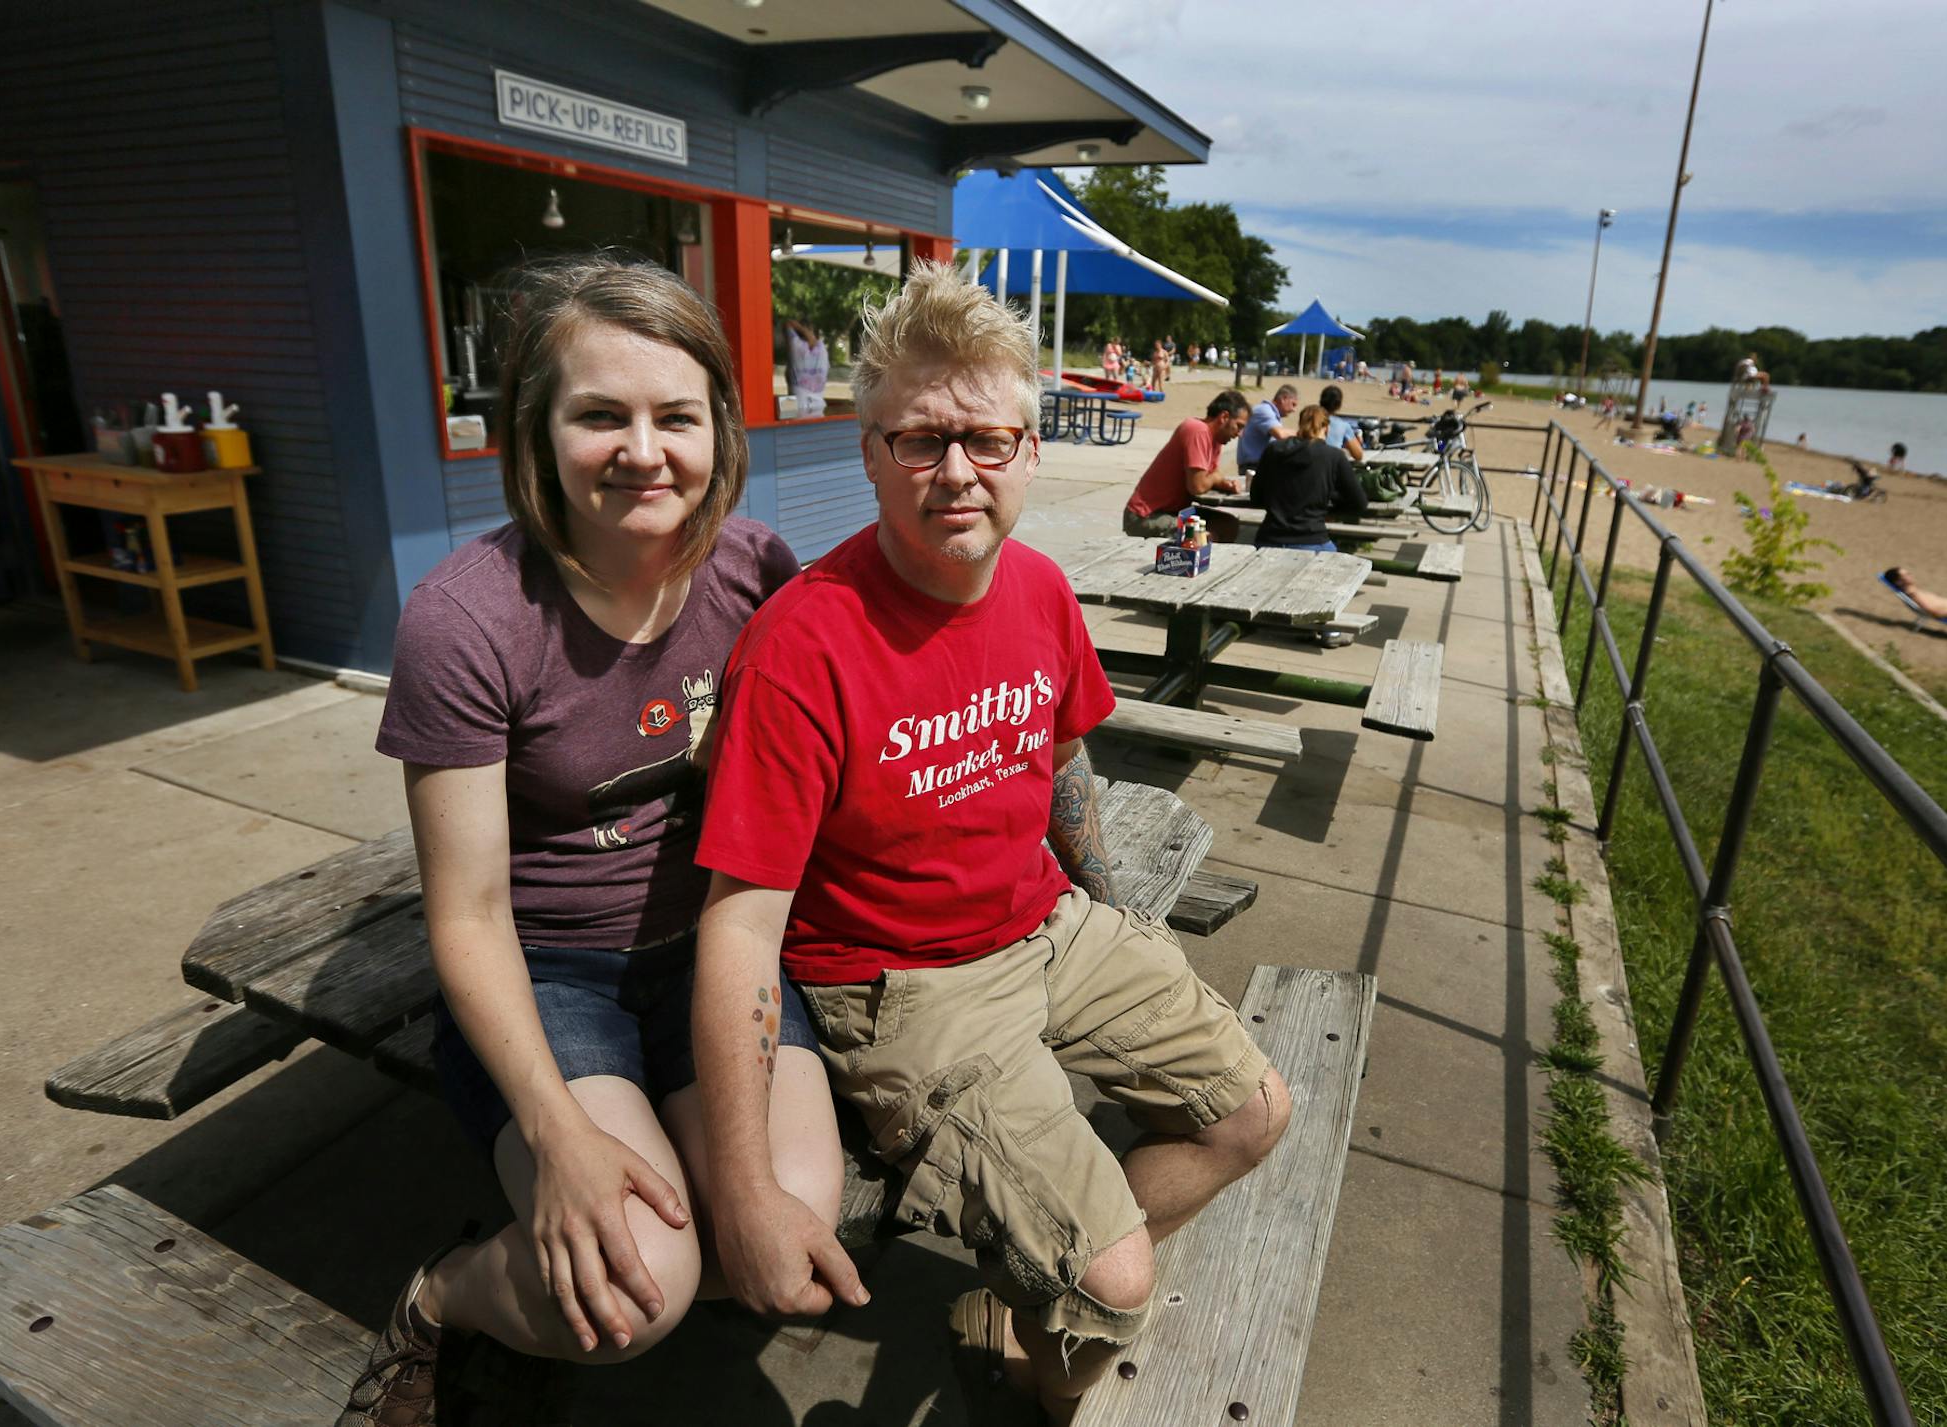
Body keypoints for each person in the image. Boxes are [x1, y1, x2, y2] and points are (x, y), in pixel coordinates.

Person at [690, 262, 1290, 1426]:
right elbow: (739, 927)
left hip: (1049, 926)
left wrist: (1115, 907)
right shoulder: (801, 647)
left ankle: (1027, 1290)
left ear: (1028, 446)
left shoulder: (1039, 588)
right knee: (1115, 1288)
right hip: (905, 984)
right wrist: (747, 1187)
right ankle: (1030, 1356)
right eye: (920, 441)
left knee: (1255, 1109)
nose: (957, 470)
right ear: (868, 454)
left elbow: (1064, 761)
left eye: (988, 437)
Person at [344, 257, 849, 1425]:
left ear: (720, 425)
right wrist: (559, 1132)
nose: (643, 449)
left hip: (717, 951)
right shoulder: (468, 618)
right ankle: (445, 1293)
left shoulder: (755, 567)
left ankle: (584, 1227)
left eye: (676, 415)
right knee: (640, 1292)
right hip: (551, 972)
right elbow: (465, 915)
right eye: (599, 415)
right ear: (538, 431)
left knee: (781, 1229)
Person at [1123, 389, 1250, 540]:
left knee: (1227, 525)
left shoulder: (1215, 439)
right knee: (1203, 536)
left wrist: (1224, 483)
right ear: (1224, 417)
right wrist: (1215, 479)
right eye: (1239, 426)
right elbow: (1197, 486)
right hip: (1146, 516)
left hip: (1174, 511)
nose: (1240, 434)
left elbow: (1213, 473)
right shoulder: (1198, 431)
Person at [1252, 403, 1369, 554]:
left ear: (1300, 425)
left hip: (1269, 537)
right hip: (1312, 537)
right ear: (1326, 428)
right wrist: (1330, 510)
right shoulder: (1334, 456)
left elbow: (1255, 497)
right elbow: (1360, 503)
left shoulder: (1273, 450)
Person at [1236, 383, 1299, 471]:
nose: (1293, 410)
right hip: (1253, 466)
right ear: (1284, 399)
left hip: (1260, 465)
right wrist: (1303, 432)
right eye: (1293, 404)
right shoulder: (1264, 411)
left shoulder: (1271, 414)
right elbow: (1280, 434)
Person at [782, 317, 829, 418]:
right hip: (819, 406)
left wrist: (799, 328)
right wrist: (803, 328)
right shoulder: (822, 350)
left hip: (798, 405)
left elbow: (787, 324)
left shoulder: (796, 347)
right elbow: (813, 340)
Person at [1317, 383, 1367, 461]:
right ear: (1339, 405)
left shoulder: (1308, 420)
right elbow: (1358, 455)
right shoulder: (1343, 425)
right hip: (1329, 467)